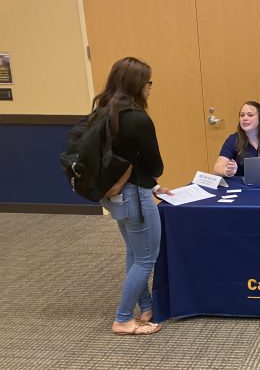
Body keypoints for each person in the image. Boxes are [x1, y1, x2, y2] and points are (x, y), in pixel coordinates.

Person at [95, 57, 172, 335]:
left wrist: (152, 186)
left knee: (135, 251)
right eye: (149, 82)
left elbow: (123, 161)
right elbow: (155, 166)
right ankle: (123, 319)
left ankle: (147, 307)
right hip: (135, 198)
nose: (151, 88)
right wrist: (152, 182)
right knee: (145, 258)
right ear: (137, 84)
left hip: (115, 196)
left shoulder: (103, 111)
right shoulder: (137, 118)